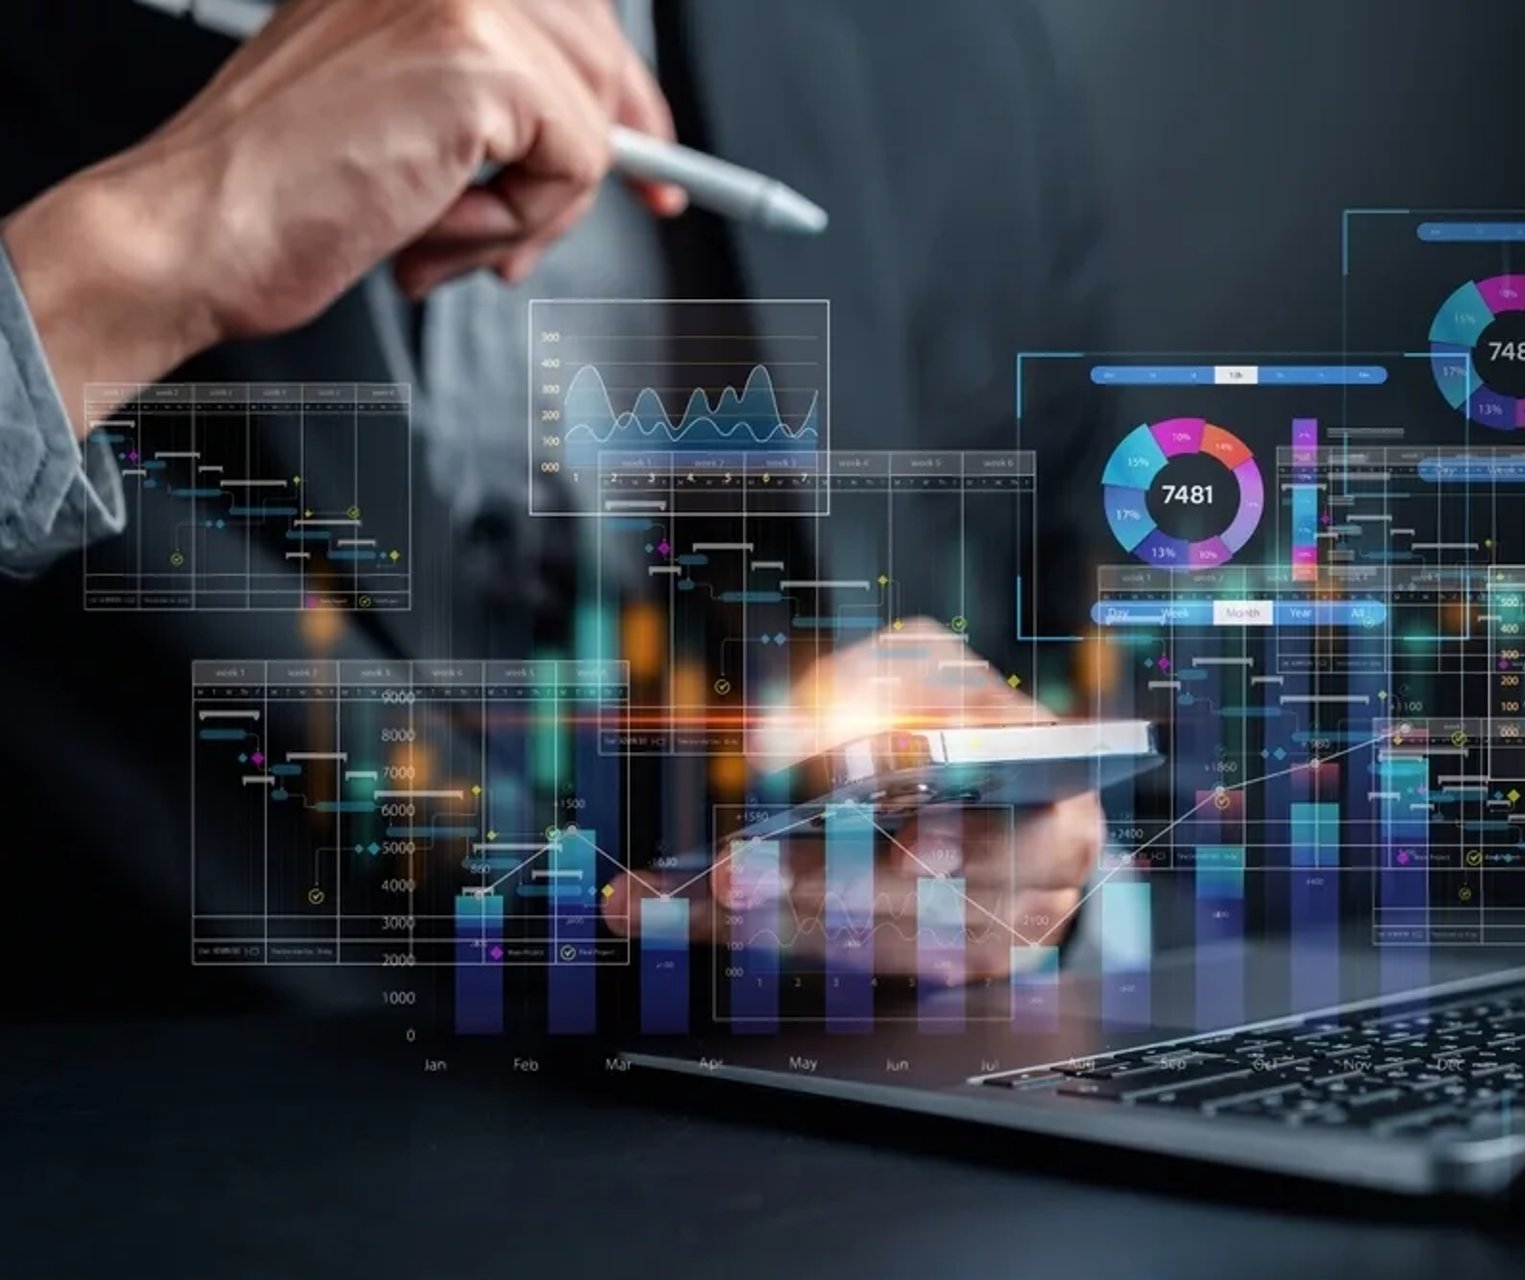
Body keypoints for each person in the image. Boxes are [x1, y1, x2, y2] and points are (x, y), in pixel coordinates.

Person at [0, 0, 1113, 1014]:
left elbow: (1090, 710)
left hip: (812, 1132)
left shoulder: (949, 49)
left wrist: (1028, 866)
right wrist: (149, 244)